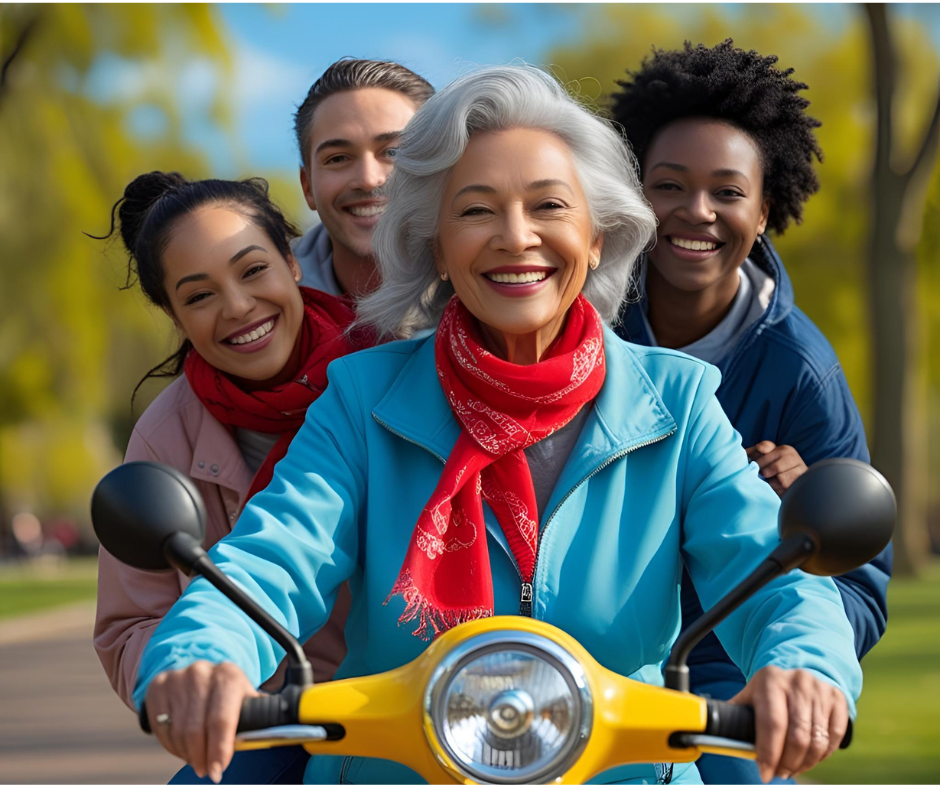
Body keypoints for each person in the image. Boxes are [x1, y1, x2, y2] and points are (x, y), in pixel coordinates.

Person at [132, 66, 862, 786]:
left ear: (598, 234)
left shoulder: (681, 400)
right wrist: (204, 653)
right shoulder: (361, 397)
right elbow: (275, 556)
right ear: (434, 244)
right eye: (477, 211)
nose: (517, 238)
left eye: (549, 206)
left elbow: (766, 571)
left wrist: (803, 667)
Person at [609, 40, 892, 784]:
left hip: (716, 672)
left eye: (727, 192)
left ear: (765, 209)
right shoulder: (581, 322)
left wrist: (792, 530)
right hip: (579, 651)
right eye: (668, 186)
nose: (695, 212)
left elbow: (857, 586)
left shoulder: (801, 371)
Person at [92, 173, 373, 783]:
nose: (239, 307)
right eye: (199, 296)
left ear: (293, 262)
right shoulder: (162, 438)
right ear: (173, 314)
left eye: (252, 271)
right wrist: (196, 678)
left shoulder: (388, 377)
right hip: (279, 714)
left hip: (419, 700)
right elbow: (130, 625)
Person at [290, 58, 434, 298]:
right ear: (307, 187)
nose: (368, 180)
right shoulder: (269, 307)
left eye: (393, 153)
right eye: (337, 159)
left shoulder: (495, 287)